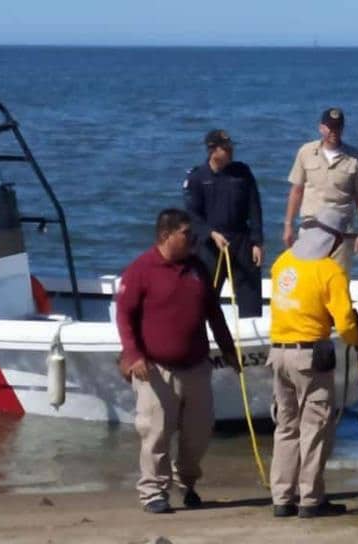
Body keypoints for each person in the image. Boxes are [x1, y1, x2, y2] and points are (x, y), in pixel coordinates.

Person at [115, 208, 240, 514]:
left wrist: (227, 348)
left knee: (198, 433)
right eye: (187, 233)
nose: (193, 239)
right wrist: (133, 355)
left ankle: (187, 483)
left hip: (196, 366)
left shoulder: (197, 267)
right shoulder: (141, 269)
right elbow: (124, 316)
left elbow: (214, 312)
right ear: (165, 236)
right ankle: (154, 492)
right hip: (156, 368)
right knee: (155, 432)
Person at [267, 208, 358, 518]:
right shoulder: (329, 270)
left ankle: (282, 497)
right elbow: (346, 321)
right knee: (315, 427)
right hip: (309, 356)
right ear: (334, 240)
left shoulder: (282, 262)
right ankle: (310, 498)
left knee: (286, 426)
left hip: (278, 353)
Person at [183, 129, 264, 317]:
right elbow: (192, 215)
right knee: (204, 295)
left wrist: (257, 242)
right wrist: (210, 233)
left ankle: (250, 336)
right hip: (210, 244)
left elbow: (255, 208)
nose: (231, 151)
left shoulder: (242, 172)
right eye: (226, 148)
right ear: (212, 150)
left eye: (231, 147)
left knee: (250, 294)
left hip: (241, 240)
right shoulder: (197, 178)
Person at [283, 107, 358, 274]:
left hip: (342, 232)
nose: (334, 131)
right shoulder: (306, 152)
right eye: (330, 127)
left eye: (338, 127)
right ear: (321, 127)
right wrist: (288, 226)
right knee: (309, 278)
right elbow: (296, 190)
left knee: (338, 279)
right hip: (311, 227)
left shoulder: (355, 157)